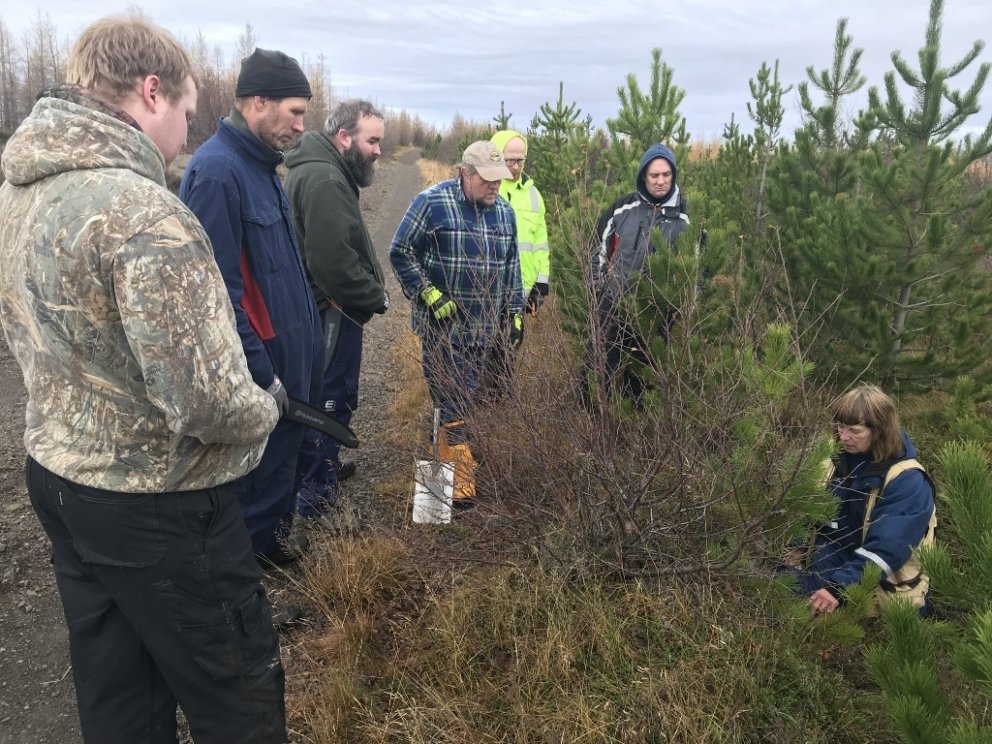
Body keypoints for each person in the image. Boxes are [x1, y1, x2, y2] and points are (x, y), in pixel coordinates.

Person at [0, 17, 286, 743]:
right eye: (188, 115)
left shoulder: (17, 192)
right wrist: (267, 409)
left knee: (119, 694)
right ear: (150, 91)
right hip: (160, 503)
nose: (185, 137)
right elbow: (206, 400)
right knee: (237, 696)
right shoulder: (145, 213)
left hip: (60, 479)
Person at [180, 48, 322, 563]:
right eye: (295, 112)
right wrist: (265, 377)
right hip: (267, 376)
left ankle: (266, 554)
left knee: (286, 470)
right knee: (255, 488)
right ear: (258, 102)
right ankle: (244, 599)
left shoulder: (263, 167)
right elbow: (217, 297)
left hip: (295, 362)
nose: (302, 126)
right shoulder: (218, 173)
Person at [389, 141, 523, 497]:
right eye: (487, 179)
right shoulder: (432, 203)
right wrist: (427, 292)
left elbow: (512, 267)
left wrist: (514, 312)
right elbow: (400, 250)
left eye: (499, 179)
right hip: (443, 328)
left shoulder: (505, 213)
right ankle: (443, 497)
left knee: (464, 402)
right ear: (465, 173)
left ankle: (446, 490)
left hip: (485, 330)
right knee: (448, 402)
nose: (495, 185)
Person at [284, 100, 387, 518]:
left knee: (324, 394)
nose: (379, 150)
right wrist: (374, 296)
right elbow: (332, 263)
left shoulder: (325, 170)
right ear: (345, 137)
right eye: (373, 140)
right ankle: (316, 493)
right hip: (331, 310)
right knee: (330, 398)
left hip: (324, 309)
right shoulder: (325, 178)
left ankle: (323, 467)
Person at [801, 385, 936, 616]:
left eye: (855, 430)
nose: (844, 437)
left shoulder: (908, 480)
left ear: (880, 430)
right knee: (780, 595)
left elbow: (887, 549)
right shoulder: (834, 462)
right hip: (836, 559)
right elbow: (807, 509)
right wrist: (790, 554)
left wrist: (838, 588)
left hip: (887, 586)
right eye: (841, 427)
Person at [588, 143, 689, 401]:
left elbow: (697, 268)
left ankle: (634, 435)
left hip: (656, 311)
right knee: (598, 372)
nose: (660, 181)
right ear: (644, 175)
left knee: (642, 384)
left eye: (666, 175)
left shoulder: (685, 219)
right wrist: (600, 289)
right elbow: (596, 248)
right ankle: (589, 424)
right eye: (654, 175)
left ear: (673, 175)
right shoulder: (622, 209)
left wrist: (680, 304)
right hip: (614, 303)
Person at [490, 129, 550, 314]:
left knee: (512, 342)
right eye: (510, 161)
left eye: (520, 160)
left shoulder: (533, 195)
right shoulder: (486, 188)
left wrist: (540, 283)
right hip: (485, 293)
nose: (516, 167)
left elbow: (540, 244)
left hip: (521, 294)